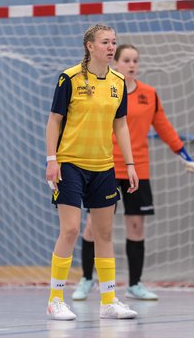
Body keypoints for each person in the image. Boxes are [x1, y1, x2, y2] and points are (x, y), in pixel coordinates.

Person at [71, 44, 194, 302]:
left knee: (136, 226)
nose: (131, 65)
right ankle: (87, 279)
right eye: (126, 60)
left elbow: (163, 127)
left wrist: (183, 154)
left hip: (137, 169)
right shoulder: (105, 90)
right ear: (116, 63)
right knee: (92, 227)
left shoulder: (149, 94)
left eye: (135, 60)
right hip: (104, 166)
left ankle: (135, 284)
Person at [45, 27, 139, 320]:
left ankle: (109, 301)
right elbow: (54, 120)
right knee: (71, 229)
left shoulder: (119, 81)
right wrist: (52, 159)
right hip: (70, 164)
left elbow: (120, 124)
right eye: (105, 42)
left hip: (104, 167)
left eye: (113, 42)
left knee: (105, 232)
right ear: (90, 46)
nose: (111, 47)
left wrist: (131, 164)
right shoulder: (69, 77)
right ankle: (55, 299)